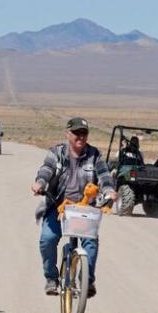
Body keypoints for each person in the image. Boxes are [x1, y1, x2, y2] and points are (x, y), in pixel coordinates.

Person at [31, 117, 118, 299]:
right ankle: (52, 279)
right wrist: (40, 183)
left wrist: (109, 190)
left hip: (85, 210)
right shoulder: (57, 152)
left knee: (91, 243)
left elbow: (104, 176)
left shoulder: (94, 155)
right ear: (67, 133)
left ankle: (87, 280)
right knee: (47, 239)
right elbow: (47, 169)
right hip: (59, 207)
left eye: (84, 133)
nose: (80, 136)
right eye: (76, 133)